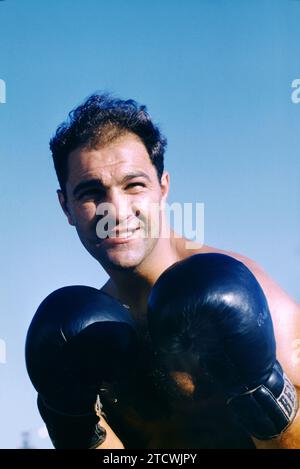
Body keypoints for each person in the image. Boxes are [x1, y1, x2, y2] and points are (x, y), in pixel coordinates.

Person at [26, 93, 300, 449]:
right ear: (66, 206)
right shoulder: (86, 336)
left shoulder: (254, 302)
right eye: (92, 192)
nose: (117, 211)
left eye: (133, 185)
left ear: (163, 188)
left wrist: (267, 394)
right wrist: (70, 422)